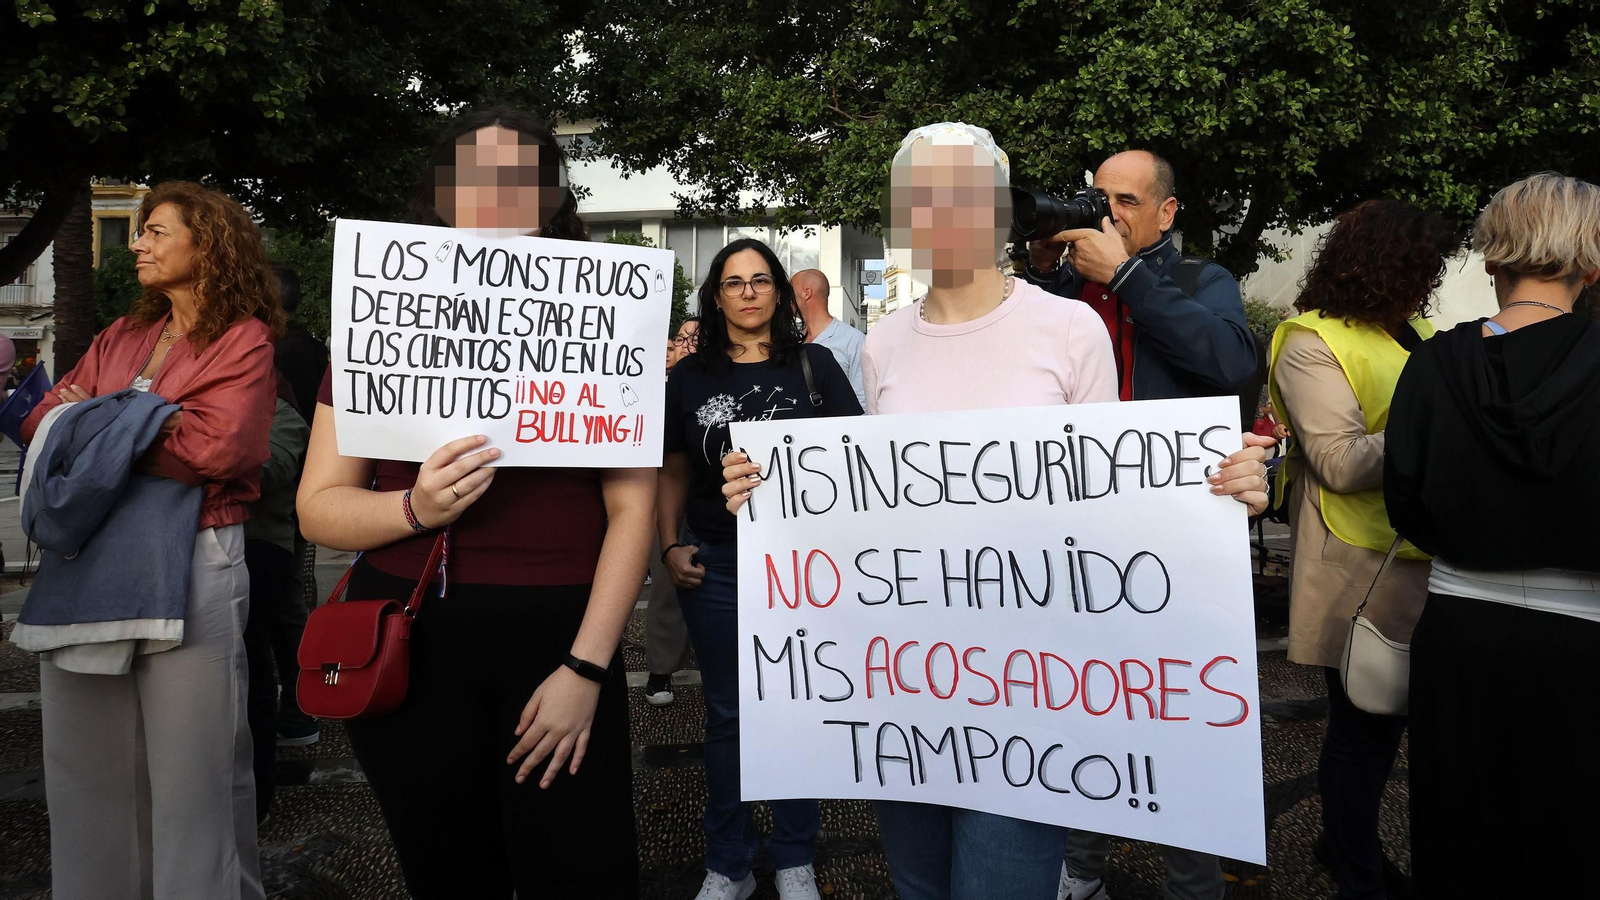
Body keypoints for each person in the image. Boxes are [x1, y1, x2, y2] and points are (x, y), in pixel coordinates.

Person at [721, 122, 1273, 900]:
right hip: (906, 692)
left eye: (966, 195)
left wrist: (1221, 484)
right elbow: (874, 507)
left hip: (1031, 696)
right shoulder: (882, 344)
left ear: (1001, 211)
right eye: (922, 196)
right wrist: (766, 494)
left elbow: (1117, 495)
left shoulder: (1070, 327)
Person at [296, 107, 651, 899]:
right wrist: (413, 510)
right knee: (448, 873)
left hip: (560, 640)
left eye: (520, 178)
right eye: (474, 178)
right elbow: (319, 506)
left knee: (582, 872)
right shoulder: (374, 323)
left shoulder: (609, 326)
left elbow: (632, 513)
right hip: (409, 639)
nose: (495, 196)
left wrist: (585, 668)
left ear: (553, 197)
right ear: (441, 194)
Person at [19, 180, 281, 900]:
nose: (137, 243)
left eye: (157, 231)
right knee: (87, 771)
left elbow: (219, 451)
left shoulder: (244, 340)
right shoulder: (120, 335)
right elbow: (45, 423)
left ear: (211, 245)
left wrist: (104, 417)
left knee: (194, 777)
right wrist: (147, 419)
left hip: (199, 557)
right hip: (93, 561)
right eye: (140, 231)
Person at [1025, 148, 1259, 900]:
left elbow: (1228, 363)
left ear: (1166, 212)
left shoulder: (1199, 281)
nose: (1109, 212)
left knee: (1180, 715)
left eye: (1128, 200)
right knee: (1085, 708)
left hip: (1174, 546)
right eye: (1098, 197)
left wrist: (1125, 276)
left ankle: (1192, 885)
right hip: (1074, 542)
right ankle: (1081, 870)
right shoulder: (1056, 293)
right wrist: (1038, 271)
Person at [1383, 172, 1600, 899]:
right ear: (1593, 264)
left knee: (1461, 827)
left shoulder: (1433, 363)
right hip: (1583, 637)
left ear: (1491, 257)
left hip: (1459, 627)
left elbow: (1406, 504)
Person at [658, 238, 861, 900]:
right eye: (733, 282)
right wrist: (669, 544)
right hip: (716, 565)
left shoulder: (817, 366)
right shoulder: (691, 378)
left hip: (799, 571)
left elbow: (856, 465)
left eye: (760, 280)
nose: (748, 291)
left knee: (794, 710)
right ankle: (730, 863)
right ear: (716, 297)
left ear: (779, 291)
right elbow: (673, 469)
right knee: (728, 716)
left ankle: (796, 854)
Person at [1268, 200, 1458, 900]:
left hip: (1416, 555)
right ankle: (1355, 871)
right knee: (1363, 731)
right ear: (1381, 266)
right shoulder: (1309, 340)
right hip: (1357, 567)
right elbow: (1340, 463)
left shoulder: (1419, 332)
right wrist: (1441, 418)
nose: (1428, 282)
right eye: (1420, 267)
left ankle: (1345, 842)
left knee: (1386, 727)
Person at [242, 373, 311, 822]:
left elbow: (270, 469)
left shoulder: (283, 415)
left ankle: (256, 791)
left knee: (251, 665)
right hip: (215, 544)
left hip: (261, 545)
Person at [644, 316, 702, 706]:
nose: (687, 344)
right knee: (667, 586)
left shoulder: (713, 382)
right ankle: (661, 669)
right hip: (663, 498)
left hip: (712, 500)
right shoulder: (651, 388)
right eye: (682, 338)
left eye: (696, 338)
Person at [792, 268, 866, 407]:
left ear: (807, 293)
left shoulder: (853, 340)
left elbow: (862, 401)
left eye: (789, 291)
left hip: (836, 428)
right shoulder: (789, 338)